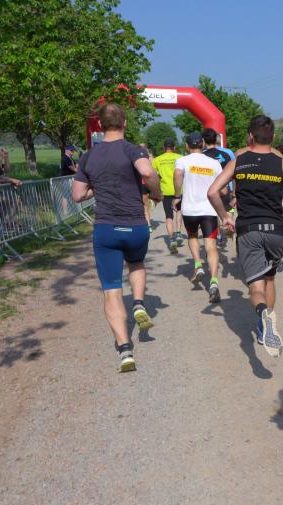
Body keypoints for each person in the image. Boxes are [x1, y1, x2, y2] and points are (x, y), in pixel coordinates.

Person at [72, 103, 163, 373]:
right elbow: (147, 172)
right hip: (135, 226)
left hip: (106, 229)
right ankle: (138, 304)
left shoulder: (88, 157)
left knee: (111, 290)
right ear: (125, 123)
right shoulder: (133, 150)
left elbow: (78, 195)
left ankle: (125, 350)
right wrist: (156, 193)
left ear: (100, 125)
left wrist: (96, 188)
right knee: (136, 264)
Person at [207, 115, 283, 357]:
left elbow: (213, 192)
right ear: (273, 137)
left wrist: (225, 216)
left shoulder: (238, 161)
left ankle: (263, 315)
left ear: (250, 136)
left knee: (255, 287)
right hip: (275, 230)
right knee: (270, 279)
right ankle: (265, 328)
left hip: (249, 230)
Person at [173, 132, 224, 303]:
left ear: (187, 146)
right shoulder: (214, 163)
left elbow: (178, 175)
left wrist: (177, 195)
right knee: (211, 245)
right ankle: (214, 282)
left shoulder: (182, 161)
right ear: (202, 144)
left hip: (190, 209)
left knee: (193, 236)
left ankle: (198, 265)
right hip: (209, 209)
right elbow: (222, 187)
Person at [202, 128, 234, 247]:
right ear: (216, 139)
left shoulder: (202, 156)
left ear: (203, 141)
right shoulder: (228, 153)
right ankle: (228, 228)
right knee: (227, 210)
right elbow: (233, 171)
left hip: (209, 189)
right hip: (225, 188)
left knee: (214, 212)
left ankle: (219, 235)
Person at [152, 138, 183, 253]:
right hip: (179, 190)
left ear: (164, 148)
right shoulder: (180, 158)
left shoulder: (157, 160)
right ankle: (178, 233)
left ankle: (171, 239)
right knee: (179, 211)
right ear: (174, 147)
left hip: (165, 191)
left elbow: (153, 176)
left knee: (169, 216)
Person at [137, 143, 155, 232]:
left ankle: (148, 225)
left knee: (145, 205)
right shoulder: (151, 158)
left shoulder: (138, 158)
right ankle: (147, 224)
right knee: (146, 204)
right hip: (150, 183)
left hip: (143, 183)